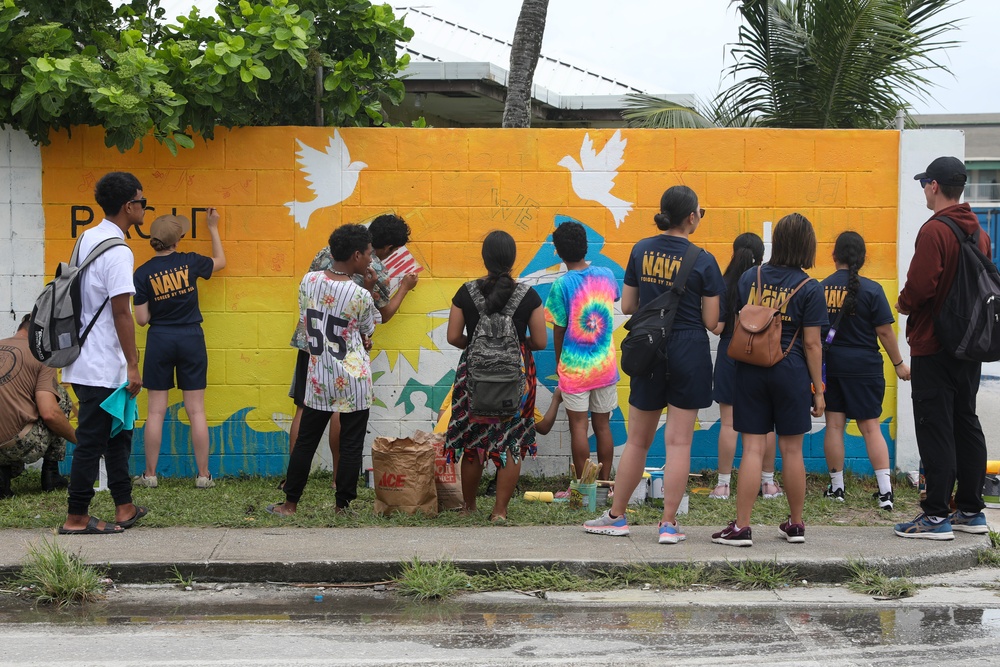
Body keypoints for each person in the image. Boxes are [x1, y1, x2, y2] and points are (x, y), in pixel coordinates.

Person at [584, 185, 723, 544]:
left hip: (649, 347)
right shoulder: (704, 260)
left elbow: (628, 305)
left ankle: (616, 516)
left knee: (637, 441)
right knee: (679, 444)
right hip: (690, 349)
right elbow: (712, 322)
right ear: (692, 217)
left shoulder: (641, 250)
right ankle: (668, 524)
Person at [713, 213, 827, 547]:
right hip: (791, 373)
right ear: (807, 246)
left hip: (751, 369)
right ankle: (795, 524)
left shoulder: (751, 276)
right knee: (792, 450)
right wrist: (818, 390)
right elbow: (812, 344)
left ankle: (742, 527)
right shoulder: (810, 288)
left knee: (751, 448)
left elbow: (741, 320)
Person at [894, 156, 991, 539]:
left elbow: (921, 286)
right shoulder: (977, 231)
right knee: (965, 422)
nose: (922, 190)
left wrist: (903, 303)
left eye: (924, 183)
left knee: (935, 426)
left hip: (934, 344)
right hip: (969, 345)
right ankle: (970, 509)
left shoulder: (934, 231)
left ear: (935, 186)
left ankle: (935, 515)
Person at [286, 214, 418, 487]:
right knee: (340, 411)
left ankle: (292, 482)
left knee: (304, 409)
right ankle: (338, 480)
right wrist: (403, 288)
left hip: (311, 341)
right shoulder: (375, 270)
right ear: (387, 247)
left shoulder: (328, 251)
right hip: (344, 349)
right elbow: (380, 316)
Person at [268, 224, 378, 516]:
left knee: (306, 440)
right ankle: (342, 506)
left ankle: (290, 503)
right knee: (352, 443)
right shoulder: (361, 294)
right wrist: (367, 290)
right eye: (368, 254)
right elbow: (368, 329)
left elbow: (308, 317)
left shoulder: (308, 281)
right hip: (353, 380)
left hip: (318, 377)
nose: (370, 259)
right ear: (356, 255)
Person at [58, 171, 147, 535]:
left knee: (116, 435)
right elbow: (122, 312)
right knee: (93, 440)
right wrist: (134, 364)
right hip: (101, 364)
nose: (144, 208)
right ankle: (76, 518)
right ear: (129, 206)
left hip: (87, 358)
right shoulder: (118, 252)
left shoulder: (88, 238)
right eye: (142, 202)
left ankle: (124, 506)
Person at [445, 230, 546, 522]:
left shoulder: (466, 291)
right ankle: (500, 511)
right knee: (512, 438)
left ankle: (469, 507)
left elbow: (453, 336)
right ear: (513, 259)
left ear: (484, 258)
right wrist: (514, 346)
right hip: (518, 377)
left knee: (473, 439)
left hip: (473, 378)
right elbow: (539, 342)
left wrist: (476, 347)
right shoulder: (529, 296)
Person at [132, 209, 226, 489]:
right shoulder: (190, 262)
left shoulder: (142, 272)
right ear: (178, 240)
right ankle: (203, 475)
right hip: (190, 337)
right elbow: (221, 261)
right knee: (196, 410)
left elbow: (141, 319)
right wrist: (213, 227)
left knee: (156, 411)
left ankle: (150, 475)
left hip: (160, 338)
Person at [821, 231, 910, 511]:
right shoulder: (872, 290)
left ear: (834, 256)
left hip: (832, 366)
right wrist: (898, 364)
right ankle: (885, 492)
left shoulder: (821, 288)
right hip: (865, 368)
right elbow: (884, 331)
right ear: (862, 258)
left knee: (834, 425)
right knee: (871, 427)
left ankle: (836, 488)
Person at [544, 220, 620, 481]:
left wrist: (559, 363)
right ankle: (606, 483)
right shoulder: (607, 275)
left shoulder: (561, 286)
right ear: (586, 246)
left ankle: (583, 487)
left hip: (575, 369)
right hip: (604, 365)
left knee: (579, 426)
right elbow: (614, 298)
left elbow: (558, 329)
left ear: (559, 251)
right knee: (603, 425)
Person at [709, 233, 782, 502]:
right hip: (764, 356)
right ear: (762, 255)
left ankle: (723, 486)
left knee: (728, 423)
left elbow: (716, 326)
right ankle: (768, 484)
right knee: (766, 424)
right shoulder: (767, 281)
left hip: (731, 352)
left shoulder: (725, 282)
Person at [0, 315, 76, 498]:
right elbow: (50, 414)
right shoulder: (41, 356)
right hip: (17, 444)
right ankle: (51, 475)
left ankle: (2, 477)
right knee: (60, 398)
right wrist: (80, 440)